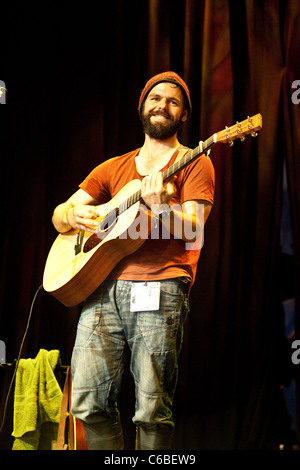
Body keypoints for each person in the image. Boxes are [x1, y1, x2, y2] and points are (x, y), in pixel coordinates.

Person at [52, 71, 215, 450]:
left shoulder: (194, 161)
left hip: (160, 287)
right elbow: (61, 214)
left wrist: (160, 209)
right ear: (142, 106)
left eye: (173, 102)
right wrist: (68, 215)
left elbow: (194, 230)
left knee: (151, 410)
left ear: (184, 115)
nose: (163, 105)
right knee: (87, 403)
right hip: (99, 286)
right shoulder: (113, 167)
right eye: (155, 98)